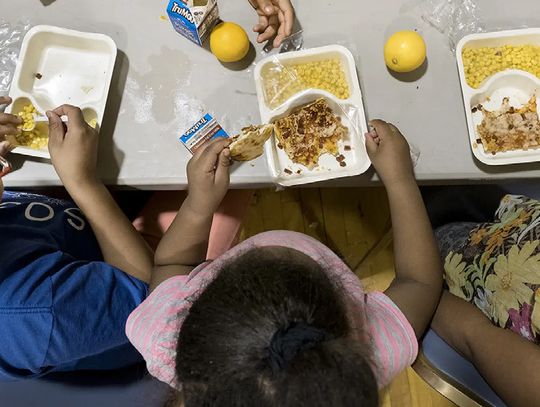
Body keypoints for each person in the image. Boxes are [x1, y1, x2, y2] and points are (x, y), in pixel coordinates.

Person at [126, 120, 444, 406]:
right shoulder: (369, 354)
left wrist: (197, 206)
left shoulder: (164, 342)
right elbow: (419, 282)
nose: (275, 241)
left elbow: (171, 263)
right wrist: (401, 179)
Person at [0, 97, 154, 380]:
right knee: (231, 186)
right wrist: (83, 182)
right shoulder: (36, 313)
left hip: (69, 221)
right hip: (134, 298)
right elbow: (149, 295)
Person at [432, 194, 540, 407]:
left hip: (485, 265)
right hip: (522, 219)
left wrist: (420, 285)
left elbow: (473, 335)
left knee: (440, 230)